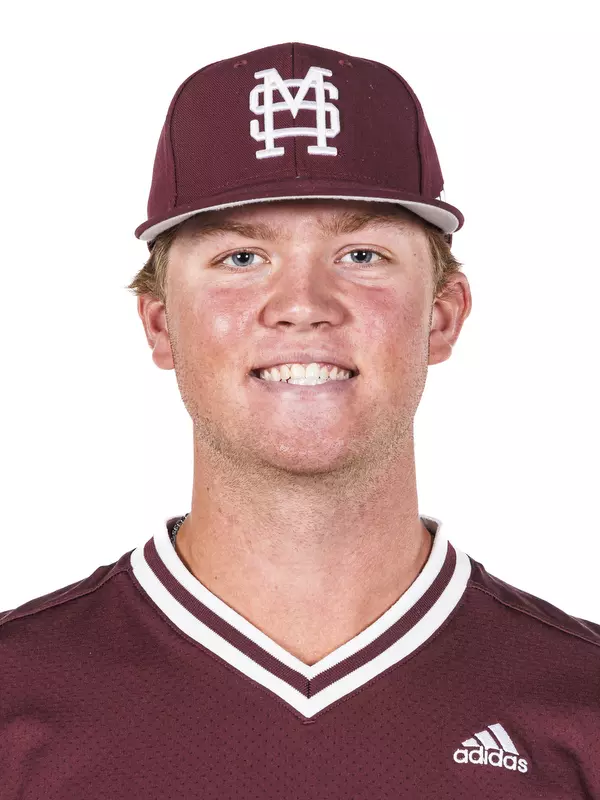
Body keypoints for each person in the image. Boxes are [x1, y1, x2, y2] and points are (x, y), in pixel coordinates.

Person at [2, 42, 598, 799]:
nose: (304, 306)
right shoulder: (15, 699)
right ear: (159, 324)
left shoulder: (582, 702)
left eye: (361, 255)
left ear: (442, 316)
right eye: (241, 258)